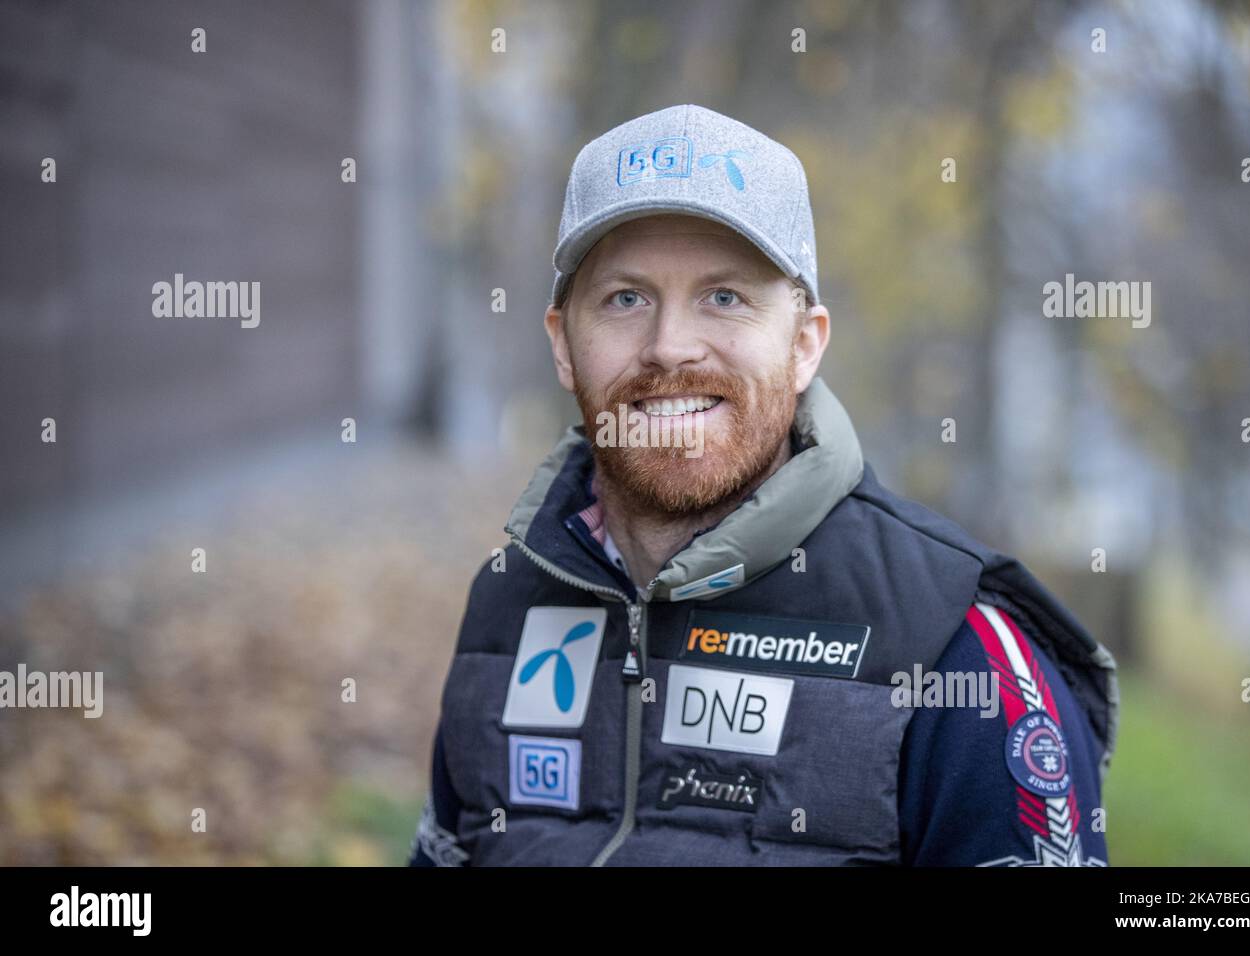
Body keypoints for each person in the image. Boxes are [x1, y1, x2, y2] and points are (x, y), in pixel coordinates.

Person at [409, 103, 1119, 866]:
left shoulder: (956, 648)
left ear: (804, 344)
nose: (669, 347)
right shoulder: (509, 603)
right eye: (626, 298)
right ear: (563, 344)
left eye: (725, 297)